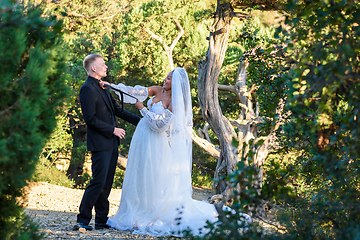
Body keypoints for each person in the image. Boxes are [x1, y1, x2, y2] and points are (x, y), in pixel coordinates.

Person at [100, 67, 251, 236]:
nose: (165, 80)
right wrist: (111, 85)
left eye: (169, 79)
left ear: (177, 84)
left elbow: (160, 125)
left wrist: (142, 109)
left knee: (155, 176)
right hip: (142, 138)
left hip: (157, 142)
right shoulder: (156, 90)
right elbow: (133, 91)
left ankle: (152, 212)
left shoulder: (177, 103)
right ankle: (139, 209)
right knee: (140, 173)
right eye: (166, 77)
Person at [73, 54, 141, 231]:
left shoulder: (104, 87)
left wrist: (143, 121)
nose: (106, 66)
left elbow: (117, 110)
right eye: (102, 64)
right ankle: (82, 220)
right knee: (98, 182)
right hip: (100, 143)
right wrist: (113, 130)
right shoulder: (87, 88)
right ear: (93, 68)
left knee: (107, 183)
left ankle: (101, 221)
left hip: (111, 144)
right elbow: (90, 119)